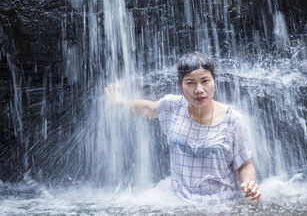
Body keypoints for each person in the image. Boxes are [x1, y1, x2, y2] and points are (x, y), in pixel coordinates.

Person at [105, 51, 262, 204]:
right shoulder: (173, 106)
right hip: (181, 203)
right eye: (190, 82)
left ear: (214, 80)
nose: (199, 89)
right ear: (180, 85)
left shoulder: (233, 120)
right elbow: (149, 108)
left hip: (222, 205)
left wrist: (249, 184)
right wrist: (120, 102)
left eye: (205, 81)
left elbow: (245, 164)